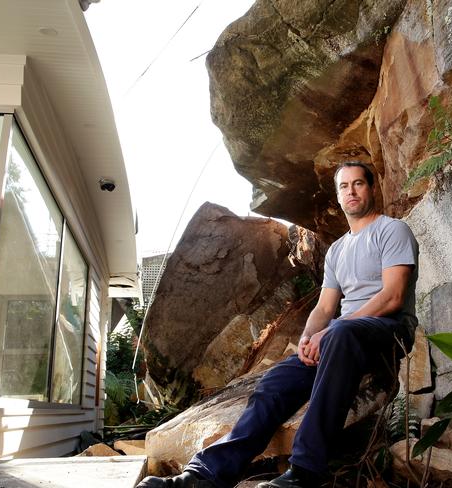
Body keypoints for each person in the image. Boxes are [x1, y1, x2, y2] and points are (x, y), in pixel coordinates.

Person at [138, 161, 419, 488]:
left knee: (342, 332)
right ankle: (205, 475)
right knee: (276, 381)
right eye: (344, 186)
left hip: (388, 331)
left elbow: (393, 296)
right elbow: (325, 306)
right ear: (339, 196)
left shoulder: (391, 230)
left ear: (371, 188)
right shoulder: (338, 250)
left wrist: (330, 332)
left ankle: (304, 473)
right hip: (343, 338)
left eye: (358, 184)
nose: (351, 191)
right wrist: (308, 338)